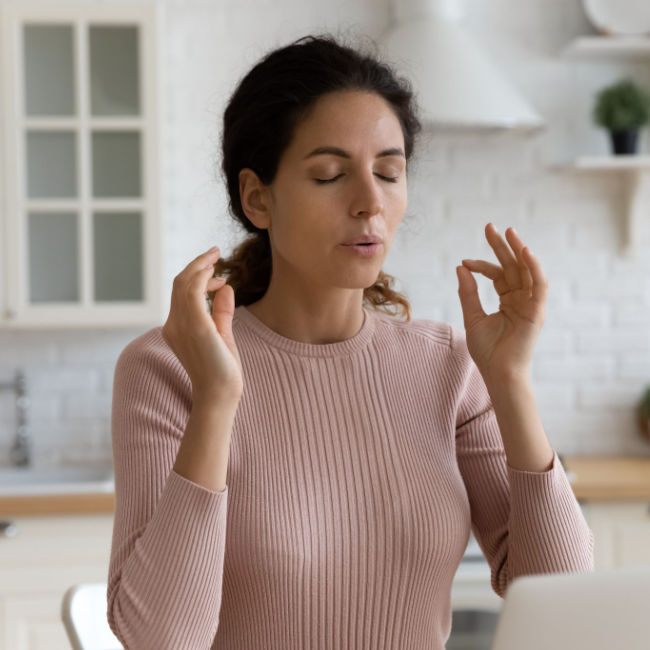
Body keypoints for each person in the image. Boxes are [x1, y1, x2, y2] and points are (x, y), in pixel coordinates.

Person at [106, 33, 594, 650]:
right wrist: (218, 400)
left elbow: (563, 599)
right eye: (331, 174)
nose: (371, 203)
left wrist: (512, 384)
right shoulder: (169, 369)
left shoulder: (445, 364)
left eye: (389, 172)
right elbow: (161, 640)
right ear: (258, 197)